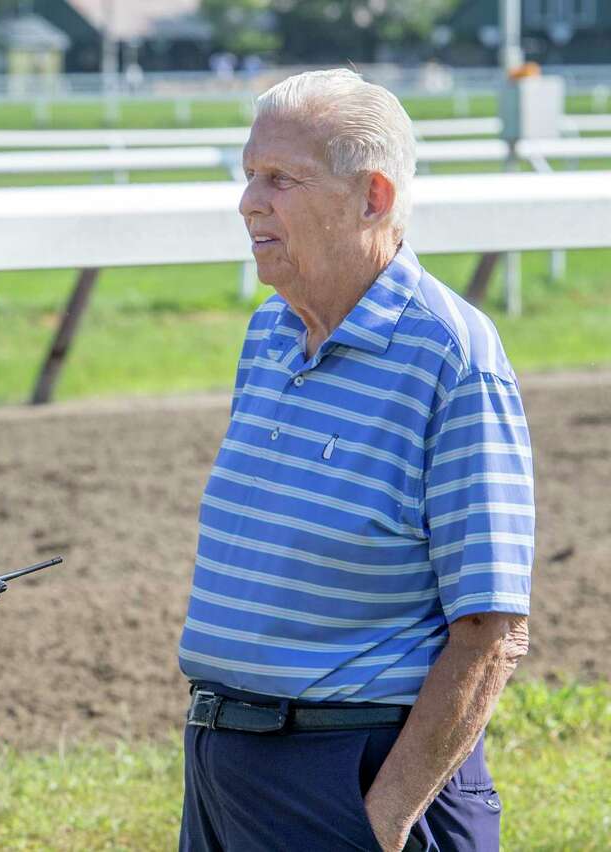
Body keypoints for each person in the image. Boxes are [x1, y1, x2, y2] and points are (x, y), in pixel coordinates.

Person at [177, 69, 532, 852]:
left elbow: (491, 629)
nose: (249, 202)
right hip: (225, 765)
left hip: (352, 775)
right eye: (248, 176)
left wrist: (380, 824)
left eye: (280, 179)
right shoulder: (269, 334)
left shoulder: (450, 356)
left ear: (372, 197)